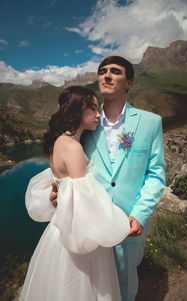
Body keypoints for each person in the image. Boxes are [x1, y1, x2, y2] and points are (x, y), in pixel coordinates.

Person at [25, 56, 166, 301]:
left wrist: (140, 214)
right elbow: (64, 171)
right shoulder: (86, 123)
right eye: (102, 71)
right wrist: (57, 191)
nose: (107, 75)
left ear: (129, 83)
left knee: (124, 286)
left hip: (129, 225)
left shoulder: (151, 122)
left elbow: (155, 175)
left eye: (115, 71)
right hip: (88, 229)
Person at [20, 86, 130, 301]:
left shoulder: (59, 142)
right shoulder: (72, 147)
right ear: (77, 110)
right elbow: (84, 201)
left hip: (60, 228)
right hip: (76, 232)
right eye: (93, 108)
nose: (99, 114)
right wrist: (118, 222)